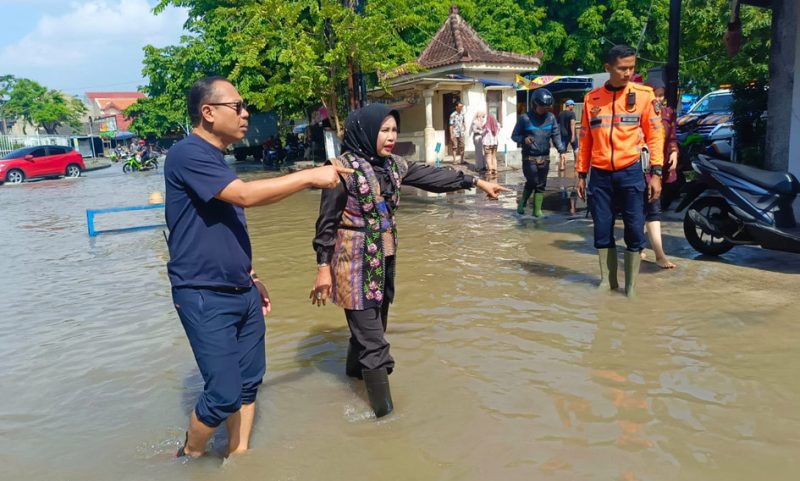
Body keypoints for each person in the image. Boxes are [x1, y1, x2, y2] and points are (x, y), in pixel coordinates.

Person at [166, 75, 350, 458]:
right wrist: (310, 176)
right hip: (203, 293)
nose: (245, 113)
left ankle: (240, 458)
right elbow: (246, 197)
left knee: (249, 384)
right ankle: (189, 458)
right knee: (222, 394)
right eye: (238, 107)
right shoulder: (188, 153)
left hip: (242, 290)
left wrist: (251, 276)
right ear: (208, 112)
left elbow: (225, 226)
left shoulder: (216, 160)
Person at [310, 104, 510, 418]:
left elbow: (434, 177)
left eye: (393, 130)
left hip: (384, 261)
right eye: (384, 130)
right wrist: (323, 268)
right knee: (375, 343)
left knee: (374, 328)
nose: (391, 137)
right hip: (352, 265)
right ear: (366, 131)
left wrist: (476, 182)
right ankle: (385, 419)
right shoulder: (339, 169)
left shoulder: (394, 166)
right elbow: (326, 224)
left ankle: (354, 376)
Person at [575, 45, 665, 297]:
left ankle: (631, 286)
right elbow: (585, 140)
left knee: (635, 229)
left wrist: (656, 173)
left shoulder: (645, 96)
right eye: (622, 68)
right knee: (602, 229)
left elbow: (656, 136)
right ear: (608, 68)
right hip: (600, 175)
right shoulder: (592, 99)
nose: (628, 73)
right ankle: (608, 281)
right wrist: (581, 174)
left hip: (631, 172)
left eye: (632, 68)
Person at [511, 88, 567, 217]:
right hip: (529, 157)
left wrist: (562, 150)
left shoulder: (551, 118)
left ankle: (537, 211)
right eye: (543, 107)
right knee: (532, 181)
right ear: (535, 104)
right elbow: (514, 136)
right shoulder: (524, 118)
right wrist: (523, 140)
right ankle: (523, 203)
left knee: (541, 184)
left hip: (545, 157)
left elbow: (556, 135)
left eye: (548, 107)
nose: (546, 109)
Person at [641, 78, 678, 269]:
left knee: (653, 207)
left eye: (661, 95)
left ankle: (658, 254)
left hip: (657, 168)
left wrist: (673, 152)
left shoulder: (667, 113)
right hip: (638, 167)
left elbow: (671, 136)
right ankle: (641, 247)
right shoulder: (637, 113)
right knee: (639, 209)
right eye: (654, 94)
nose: (658, 98)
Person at [557, 99, 578, 172]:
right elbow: (572, 124)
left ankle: (562, 165)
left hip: (563, 135)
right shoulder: (572, 113)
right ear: (569, 105)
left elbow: (558, 125)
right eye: (572, 105)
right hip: (571, 134)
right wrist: (573, 136)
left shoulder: (560, 113)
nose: (573, 106)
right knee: (576, 149)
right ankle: (576, 164)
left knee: (562, 151)